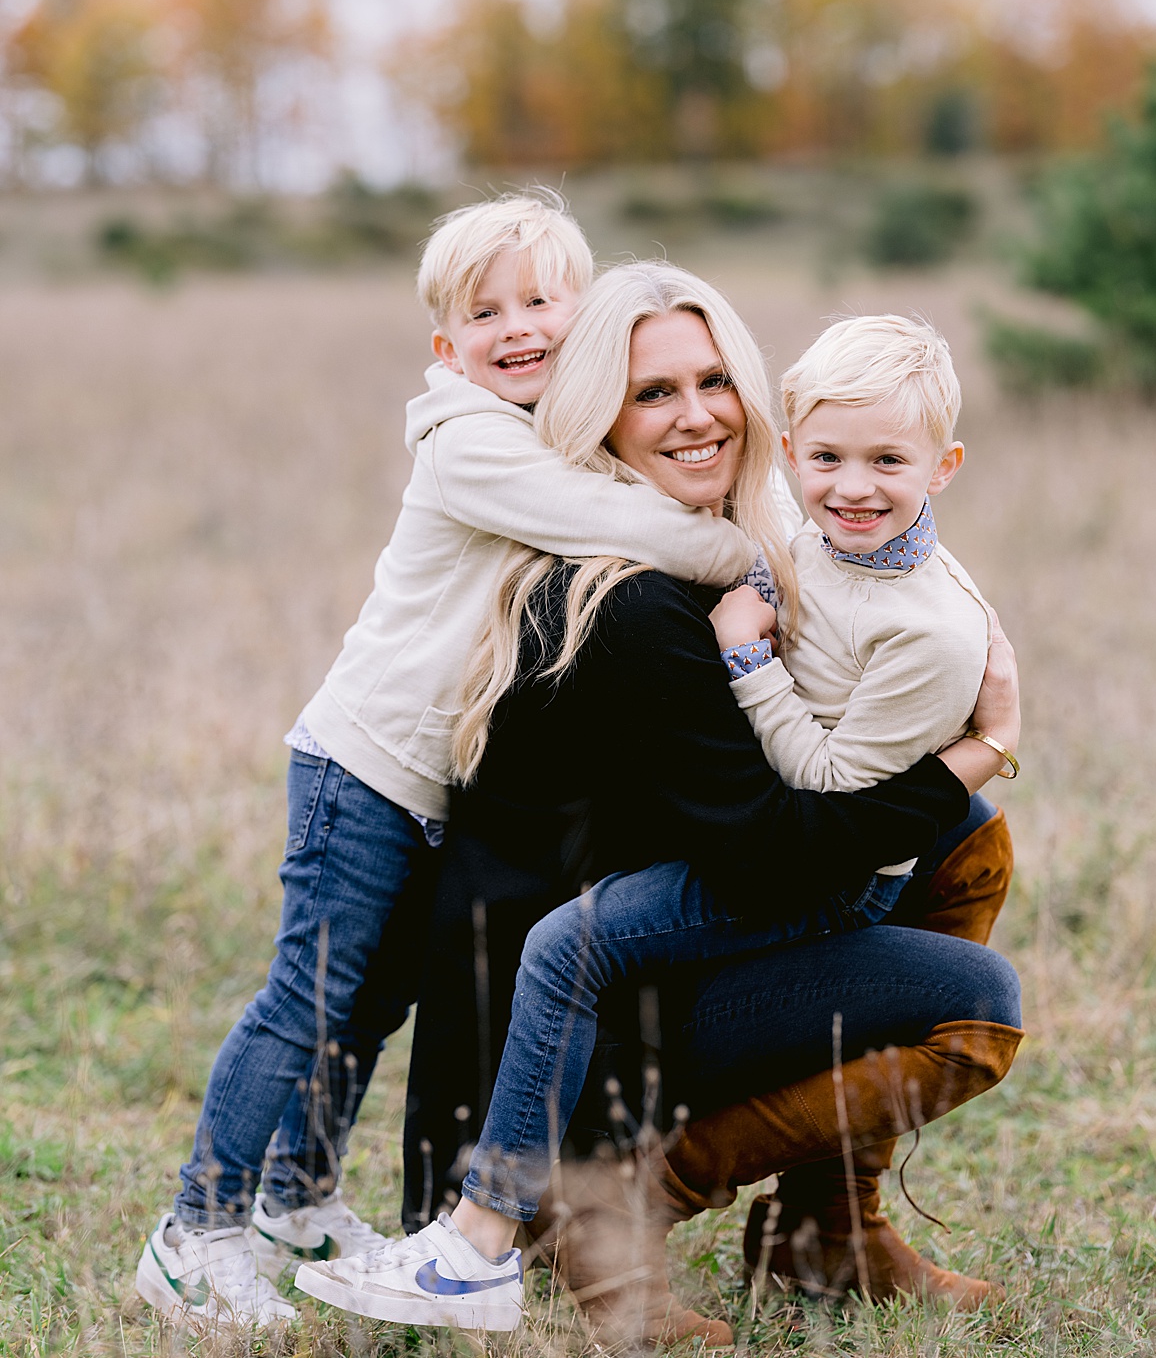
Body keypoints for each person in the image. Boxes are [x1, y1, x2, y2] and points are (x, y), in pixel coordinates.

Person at [296, 263, 1023, 1342]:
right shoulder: (632, 606)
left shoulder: (698, 548)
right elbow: (783, 856)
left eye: (713, 380)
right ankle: (600, 1211)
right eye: (651, 394)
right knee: (977, 1000)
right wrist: (980, 748)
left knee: (965, 843)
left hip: (634, 974)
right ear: (599, 418)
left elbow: (869, 523)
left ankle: (826, 1231)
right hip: (567, 1049)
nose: (695, 416)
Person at [134, 200, 757, 1329]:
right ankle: (195, 1228)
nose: (516, 327)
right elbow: (637, 528)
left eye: (540, 302)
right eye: (484, 312)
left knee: (367, 1006)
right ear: (446, 348)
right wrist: (750, 556)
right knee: (306, 1002)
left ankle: (296, 1201)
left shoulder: (547, 437)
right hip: (362, 764)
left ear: (586, 319)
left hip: (425, 784)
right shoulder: (472, 440)